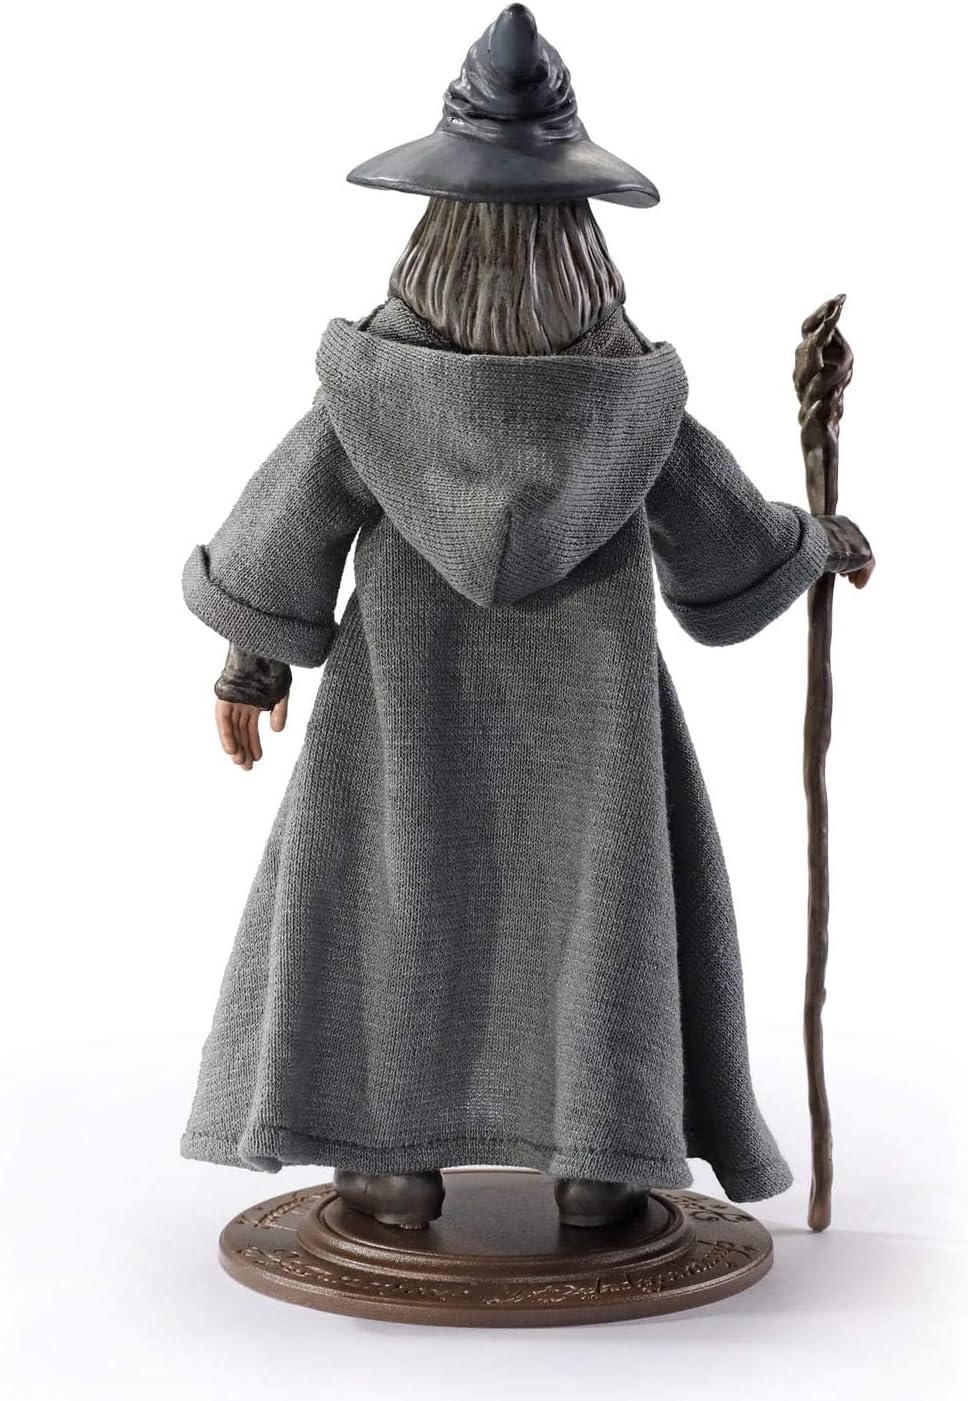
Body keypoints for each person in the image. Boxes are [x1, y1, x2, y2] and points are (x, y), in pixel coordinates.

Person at [181, 5, 873, 1230]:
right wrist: (815, 541)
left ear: (436, 223)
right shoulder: (629, 401)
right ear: (576, 228)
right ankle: (599, 1158)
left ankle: (387, 1160)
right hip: (591, 728)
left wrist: (252, 661)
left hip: (404, 708)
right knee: (596, 909)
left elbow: (285, 528)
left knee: (395, 898)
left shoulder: (370, 391)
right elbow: (724, 543)